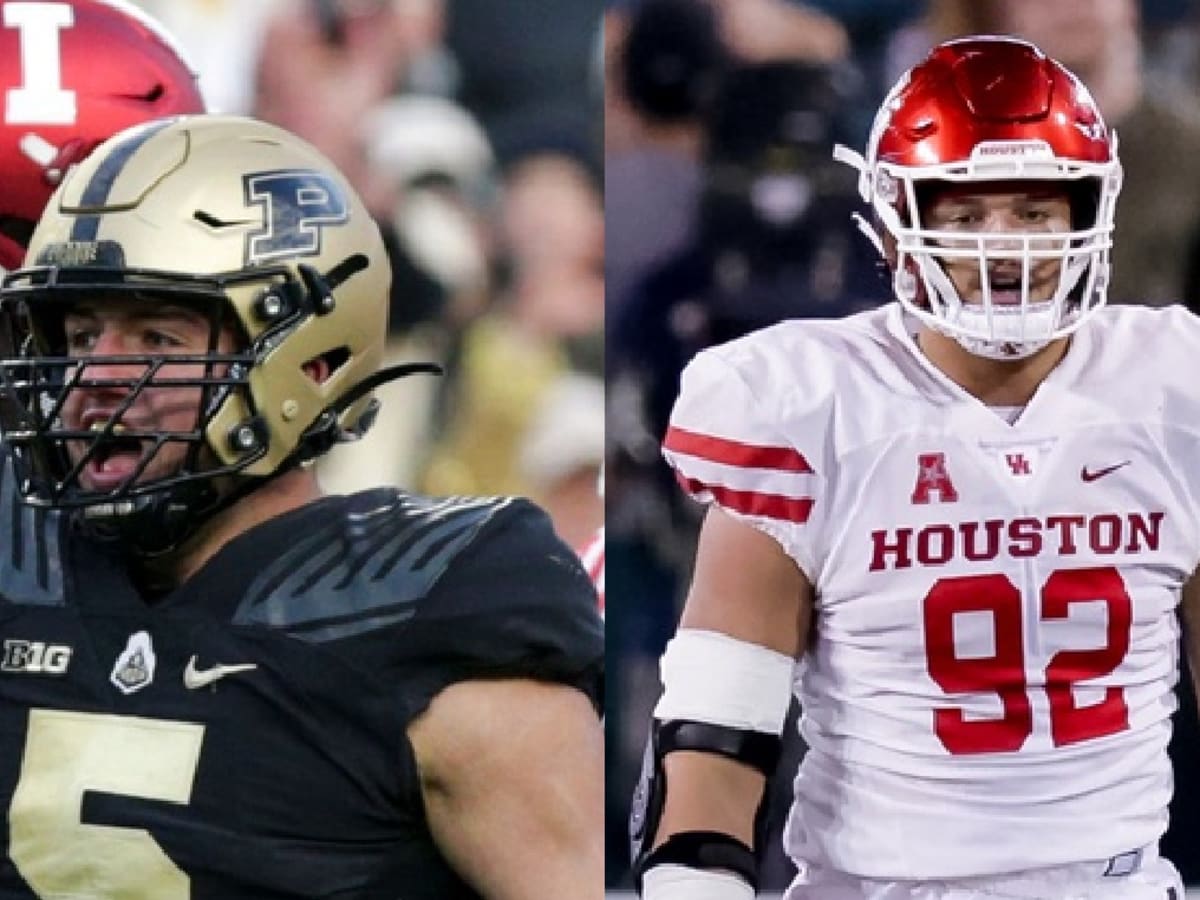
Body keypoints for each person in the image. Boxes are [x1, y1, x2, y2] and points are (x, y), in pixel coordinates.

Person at [629, 35, 1200, 900]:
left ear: (1090, 214)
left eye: (1034, 212)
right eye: (966, 216)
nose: (1001, 246)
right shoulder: (810, 407)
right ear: (895, 227)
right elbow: (714, 734)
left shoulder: (1171, 391)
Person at [0, 114, 604, 898]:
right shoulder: (20, 562)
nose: (95, 381)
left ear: (308, 358)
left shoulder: (431, 603)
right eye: (80, 339)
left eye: (156, 339)